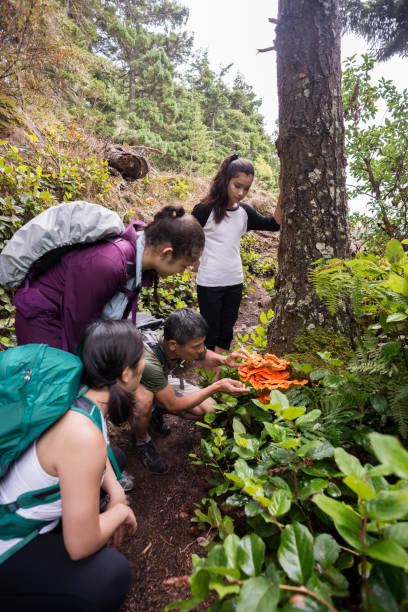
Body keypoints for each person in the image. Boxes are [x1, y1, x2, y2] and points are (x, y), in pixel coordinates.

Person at [0, 320, 144, 611]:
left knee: (115, 459)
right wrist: (121, 512)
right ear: (126, 373)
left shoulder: (78, 393)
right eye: (142, 359)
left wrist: (116, 492)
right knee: (111, 575)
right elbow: (80, 545)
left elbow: (100, 450)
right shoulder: (81, 437)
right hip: (9, 540)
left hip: (19, 502)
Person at [14, 205, 205, 354]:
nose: (182, 272)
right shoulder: (107, 264)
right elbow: (79, 334)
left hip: (68, 325)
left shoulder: (139, 264)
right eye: (182, 265)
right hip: (45, 322)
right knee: (55, 393)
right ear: (166, 253)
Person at [130, 308, 248, 473]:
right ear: (173, 345)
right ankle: (142, 439)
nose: (201, 349)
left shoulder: (179, 340)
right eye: (196, 346)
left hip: (159, 381)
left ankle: (155, 412)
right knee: (143, 401)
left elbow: (204, 355)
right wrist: (216, 387)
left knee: (209, 409)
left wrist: (225, 360)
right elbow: (173, 404)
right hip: (132, 388)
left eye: (202, 343)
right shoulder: (149, 361)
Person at [192, 154, 281, 353]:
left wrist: (283, 190)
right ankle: (209, 378)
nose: (241, 193)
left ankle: (218, 377)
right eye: (237, 186)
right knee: (210, 333)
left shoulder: (244, 212)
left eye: (246, 189)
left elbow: (274, 224)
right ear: (226, 181)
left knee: (226, 333)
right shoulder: (204, 210)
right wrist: (193, 258)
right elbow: (187, 236)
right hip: (209, 283)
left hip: (234, 280)